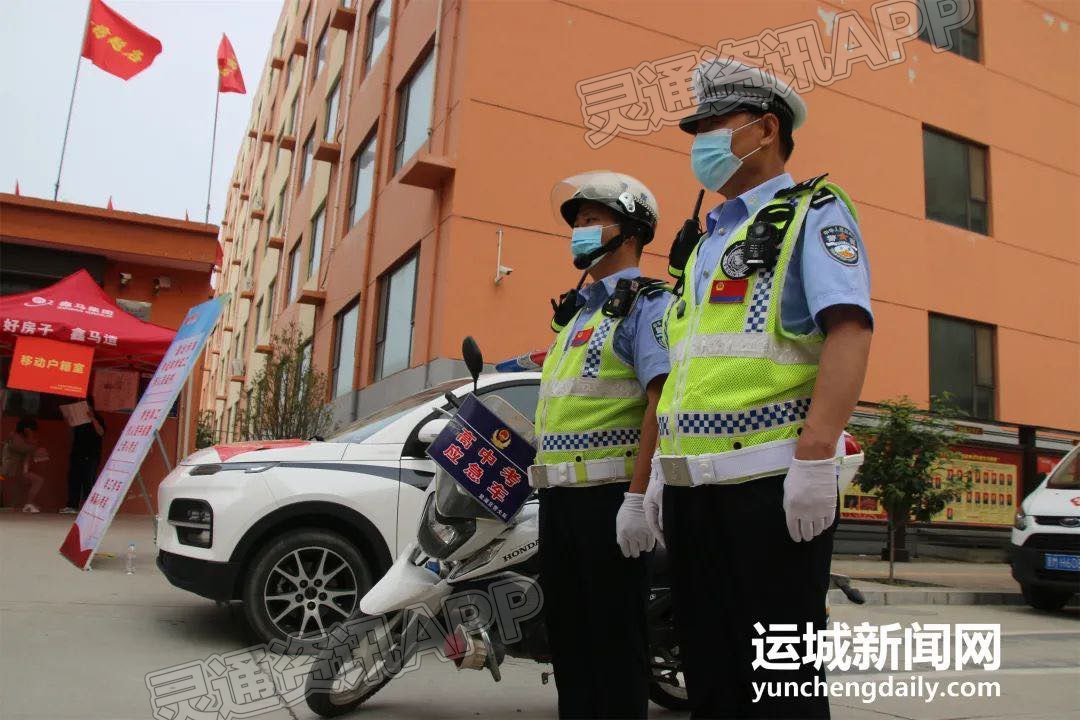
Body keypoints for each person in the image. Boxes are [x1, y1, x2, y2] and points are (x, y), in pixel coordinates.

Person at [644, 59, 874, 719]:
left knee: (780, 687)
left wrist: (815, 457)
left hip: (770, 491)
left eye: (713, 125)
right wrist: (662, 468)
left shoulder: (812, 214)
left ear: (765, 128)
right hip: (694, 495)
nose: (700, 142)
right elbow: (687, 370)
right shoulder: (706, 245)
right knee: (710, 679)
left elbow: (850, 330)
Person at [529, 171, 671, 718]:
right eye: (577, 223)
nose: (579, 232)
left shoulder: (647, 306)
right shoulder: (577, 314)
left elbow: (660, 402)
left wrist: (637, 499)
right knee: (569, 643)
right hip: (560, 505)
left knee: (614, 647)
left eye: (591, 221)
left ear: (630, 230)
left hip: (610, 503)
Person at [61, 398, 106, 513]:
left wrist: (92, 418)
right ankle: (72, 505)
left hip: (91, 454)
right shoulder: (78, 421)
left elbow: (101, 432)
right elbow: (70, 435)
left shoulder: (98, 418)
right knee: (74, 480)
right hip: (77, 453)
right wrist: (69, 421)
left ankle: (89, 507)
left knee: (88, 481)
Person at [2, 417, 46, 513]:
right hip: (11, 470)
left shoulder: (19, 437)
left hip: (17, 469)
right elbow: (25, 449)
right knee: (38, 480)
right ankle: (28, 504)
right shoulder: (15, 436)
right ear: (27, 429)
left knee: (31, 482)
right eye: (32, 430)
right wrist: (31, 437)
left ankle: (27, 503)